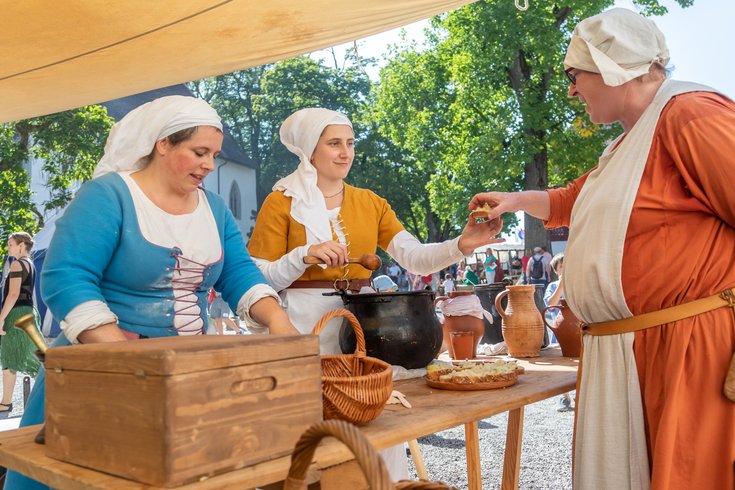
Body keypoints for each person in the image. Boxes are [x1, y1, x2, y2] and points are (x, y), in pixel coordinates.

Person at [470, 8, 735, 489]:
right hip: (629, 347)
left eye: (575, 74)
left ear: (613, 66)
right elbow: (576, 197)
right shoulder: (628, 144)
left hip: (684, 347)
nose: (571, 89)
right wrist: (513, 200)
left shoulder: (690, 114)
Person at [5, 95, 298, 490]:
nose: (209, 165)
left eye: (213, 154)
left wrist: (280, 324)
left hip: (187, 376)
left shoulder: (213, 208)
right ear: (163, 144)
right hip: (100, 371)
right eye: (199, 152)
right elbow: (67, 276)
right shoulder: (109, 195)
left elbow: (239, 272)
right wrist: (124, 357)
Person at [247, 108, 503, 480]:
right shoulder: (281, 202)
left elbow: (415, 258)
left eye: (349, 143)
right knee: (312, 433)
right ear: (309, 150)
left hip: (365, 326)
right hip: (302, 328)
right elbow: (259, 278)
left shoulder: (371, 202)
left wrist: (463, 244)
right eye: (334, 143)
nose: (345, 152)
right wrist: (302, 255)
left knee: (375, 424)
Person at [0, 232, 43, 416]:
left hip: (17, 314)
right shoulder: (30, 264)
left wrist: (1, 317)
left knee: (11, 357)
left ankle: (6, 403)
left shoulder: (17, 264)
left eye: (10, 244)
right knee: (32, 355)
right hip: (28, 312)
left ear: (21, 245)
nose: (8, 247)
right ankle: (6, 402)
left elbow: (13, 294)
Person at [543, 253, 572, 412]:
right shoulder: (553, 286)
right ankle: (564, 396)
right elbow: (550, 304)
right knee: (562, 363)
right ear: (556, 270)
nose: (566, 269)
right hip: (559, 329)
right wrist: (561, 285)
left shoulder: (577, 283)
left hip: (577, 328)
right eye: (562, 266)